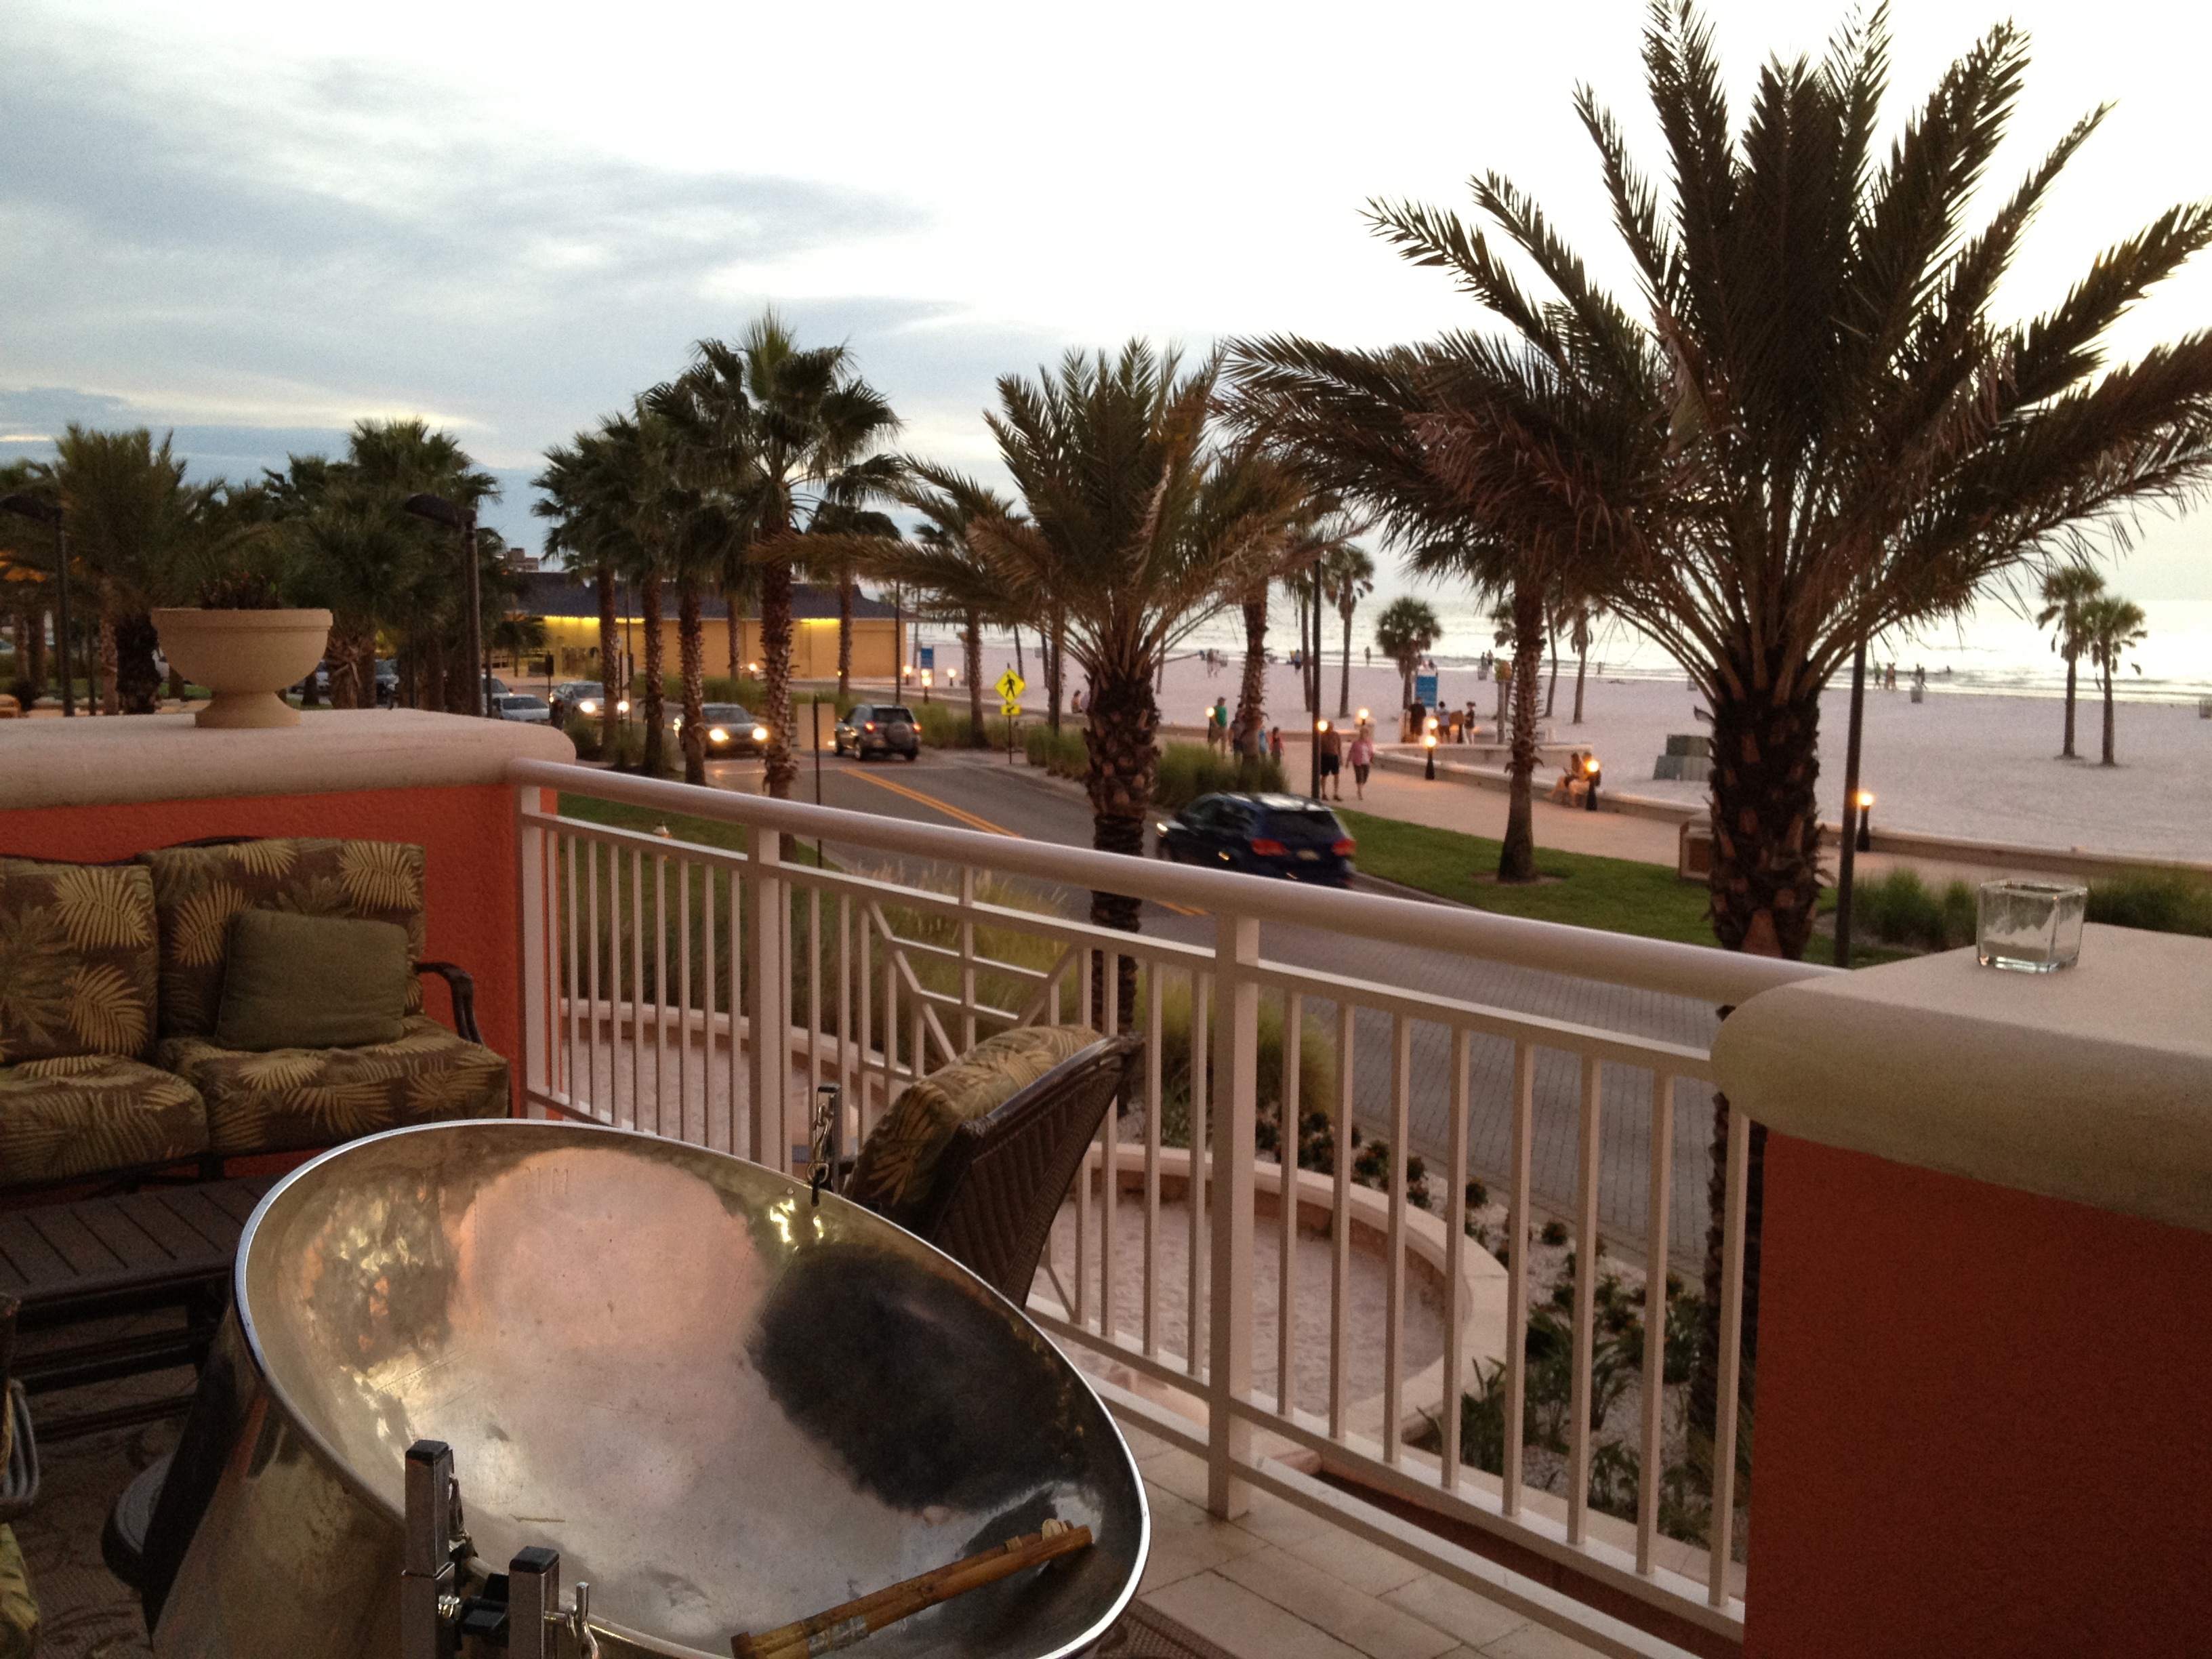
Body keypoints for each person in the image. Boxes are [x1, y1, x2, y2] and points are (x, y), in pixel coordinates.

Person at [1319, 720, 1345, 800]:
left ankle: (1335, 793)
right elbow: (1319, 748)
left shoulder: (1336, 735)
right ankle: (1323, 793)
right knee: (1324, 775)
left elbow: (1339, 747)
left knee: (1336, 775)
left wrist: (1340, 758)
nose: (1330, 729)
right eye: (1329, 727)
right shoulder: (1322, 736)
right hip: (1325, 757)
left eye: (1331, 727)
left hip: (1334, 757)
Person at [1347, 724, 1374, 799]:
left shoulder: (1369, 743)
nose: (1364, 735)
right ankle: (1360, 792)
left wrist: (1371, 760)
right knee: (1359, 777)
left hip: (1366, 762)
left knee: (1365, 778)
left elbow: (1371, 752)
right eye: (1362, 733)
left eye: (1366, 733)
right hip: (1358, 762)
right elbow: (1351, 752)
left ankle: (1360, 789)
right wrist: (1348, 761)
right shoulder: (1356, 743)